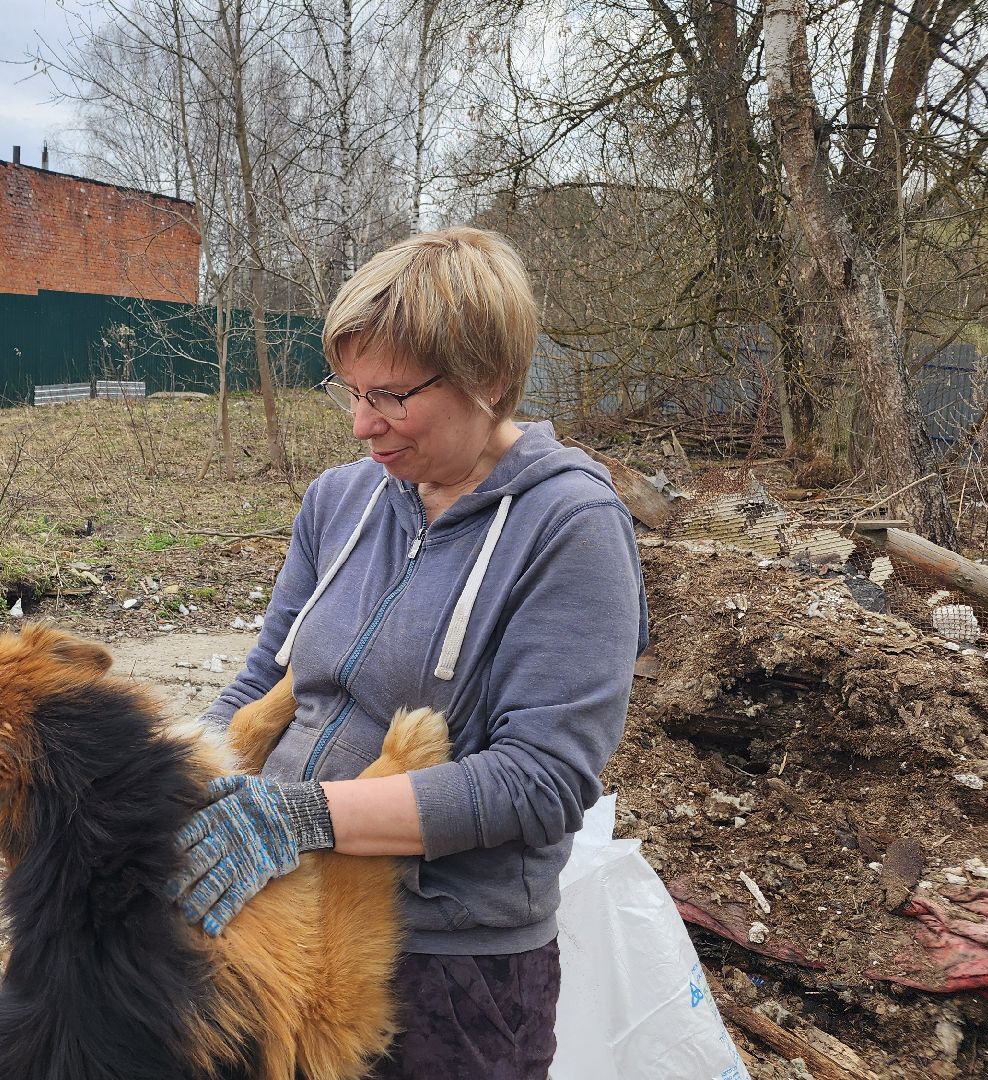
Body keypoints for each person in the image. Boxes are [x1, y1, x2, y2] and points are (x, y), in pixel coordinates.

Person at [170, 227, 648, 1079]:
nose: (361, 426)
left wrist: (303, 815)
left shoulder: (570, 528)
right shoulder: (341, 500)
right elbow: (265, 674)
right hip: (285, 918)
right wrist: (191, 790)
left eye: (390, 396)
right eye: (348, 392)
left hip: (447, 967)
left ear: (488, 380)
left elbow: (541, 782)